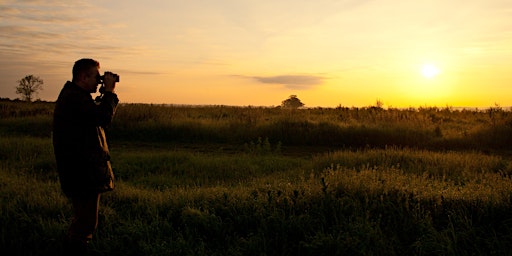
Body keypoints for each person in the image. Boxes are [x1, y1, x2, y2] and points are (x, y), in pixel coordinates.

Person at [52, 58, 119, 254]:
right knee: (87, 221)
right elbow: (102, 118)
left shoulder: (75, 96)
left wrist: (104, 95)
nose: (98, 81)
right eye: (96, 77)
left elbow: (93, 116)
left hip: (79, 169)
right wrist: (109, 92)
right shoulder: (75, 98)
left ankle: (73, 246)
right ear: (83, 76)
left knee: (83, 219)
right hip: (82, 171)